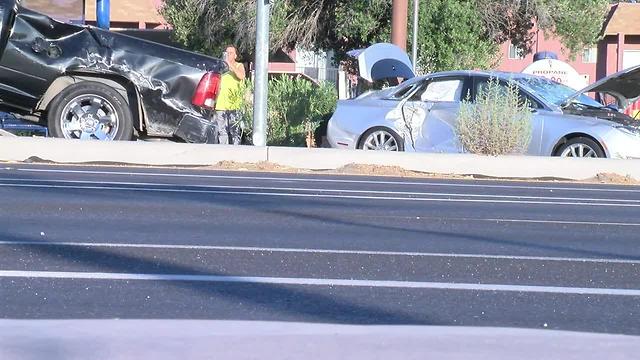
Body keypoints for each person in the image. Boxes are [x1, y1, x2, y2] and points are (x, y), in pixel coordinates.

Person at [214, 45, 246, 145]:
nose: (228, 55)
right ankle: (224, 151)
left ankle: (236, 151)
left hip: (234, 103)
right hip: (220, 103)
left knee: (234, 130)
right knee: (222, 130)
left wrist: (230, 65)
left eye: (231, 53)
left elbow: (241, 76)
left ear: (235, 55)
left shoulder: (239, 65)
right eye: (226, 53)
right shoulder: (220, 68)